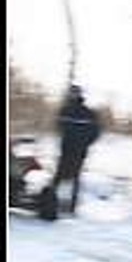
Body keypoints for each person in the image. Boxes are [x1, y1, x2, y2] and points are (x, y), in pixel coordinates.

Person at [53, 84, 102, 217]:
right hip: (66, 149)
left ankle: (70, 207)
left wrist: (84, 143)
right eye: (71, 93)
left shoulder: (88, 113)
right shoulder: (65, 110)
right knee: (59, 176)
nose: (72, 95)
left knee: (73, 178)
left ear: (79, 95)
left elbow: (96, 132)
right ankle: (52, 203)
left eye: (74, 93)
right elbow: (59, 127)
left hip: (78, 151)